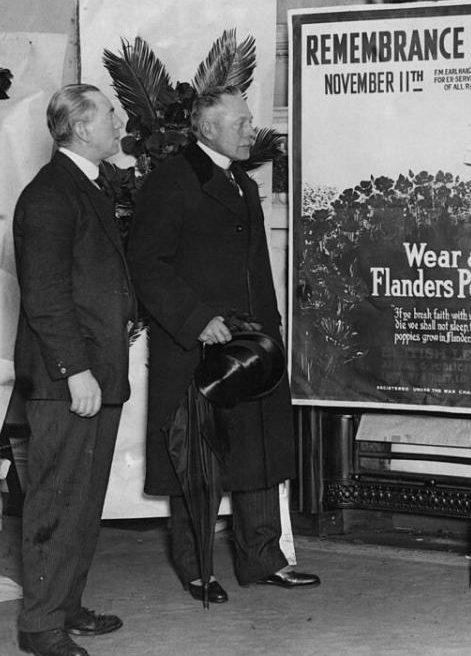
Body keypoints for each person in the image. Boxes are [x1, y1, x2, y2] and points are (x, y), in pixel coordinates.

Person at [127, 85, 319, 604]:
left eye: (250, 121)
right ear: (206, 128)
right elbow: (147, 264)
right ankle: (198, 571)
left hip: (253, 345)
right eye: (239, 123)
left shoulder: (241, 182)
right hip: (197, 346)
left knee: (258, 450)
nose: (249, 130)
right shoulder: (171, 181)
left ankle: (262, 561)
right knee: (198, 458)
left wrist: (271, 333)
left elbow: (257, 268)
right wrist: (196, 319)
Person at [13, 84, 135, 656]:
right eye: (110, 112)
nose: (120, 119)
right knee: (56, 500)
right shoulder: (49, 195)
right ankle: (40, 626)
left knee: (83, 501)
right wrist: (75, 371)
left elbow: (90, 280)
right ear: (83, 129)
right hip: (70, 380)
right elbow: (45, 297)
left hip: (94, 371)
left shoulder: (84, 187)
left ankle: (65, 605)